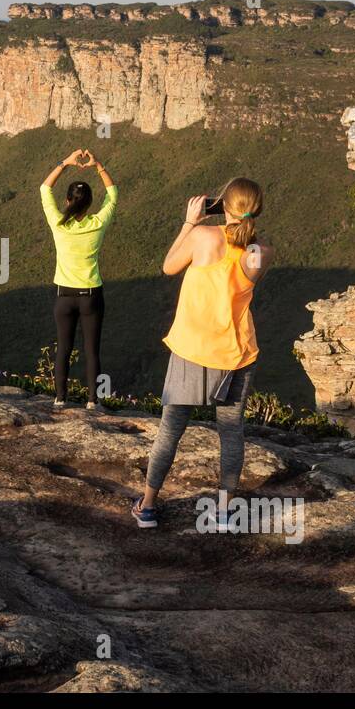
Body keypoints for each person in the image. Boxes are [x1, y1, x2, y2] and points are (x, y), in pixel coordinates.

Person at [132, 177, 274, 531]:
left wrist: (191, 222)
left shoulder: (202, 237)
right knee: (231, 432)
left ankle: (148, 506)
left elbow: (168, 266)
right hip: (237, 354)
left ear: (222, 205)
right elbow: (240, 255)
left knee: (170, 431)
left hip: (192, 349)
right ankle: (226, 512)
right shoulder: (262, 252)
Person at [40, 149, 117, 409]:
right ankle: (93, 402)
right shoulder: (98, 223)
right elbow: (113, 195)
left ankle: (60, 399)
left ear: (67, 201)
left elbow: (44, 189)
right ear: (90, 204)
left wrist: (65, 163)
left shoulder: (58, 224)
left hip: (64, 296)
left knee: (63, 348)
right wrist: (98, 166)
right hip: (91, 296)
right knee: (91, 350)